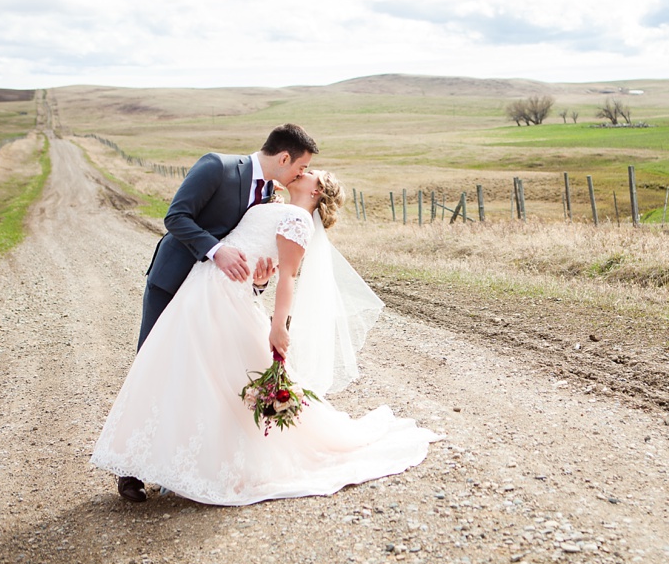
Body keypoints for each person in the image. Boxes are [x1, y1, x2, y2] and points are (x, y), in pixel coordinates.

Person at [91, 171, 440, 505]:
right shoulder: (270, 200)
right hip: (202, 290)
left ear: (316, 192)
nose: (302, 173)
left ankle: (188, 463)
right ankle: (145, 464)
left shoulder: (299, 220)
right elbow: (256, 256)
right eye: (302, 166)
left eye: (309, 173)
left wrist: (278, 323)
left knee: (211, 381)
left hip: (224, 299)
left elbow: (286, 277)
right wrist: (258, 281)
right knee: (181, 370)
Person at [116, 124, 318, 502]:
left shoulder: (273, 196)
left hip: (217, 298)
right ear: (284, 157)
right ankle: (129, 469)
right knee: (153, 364)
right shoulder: (218, 167)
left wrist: (259, 283)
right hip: (174, 280)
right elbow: (176, 217)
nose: (300, 175)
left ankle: (177, 464)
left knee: (200, 377)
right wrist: (215, 250)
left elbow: (255, 250)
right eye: (300, 166)